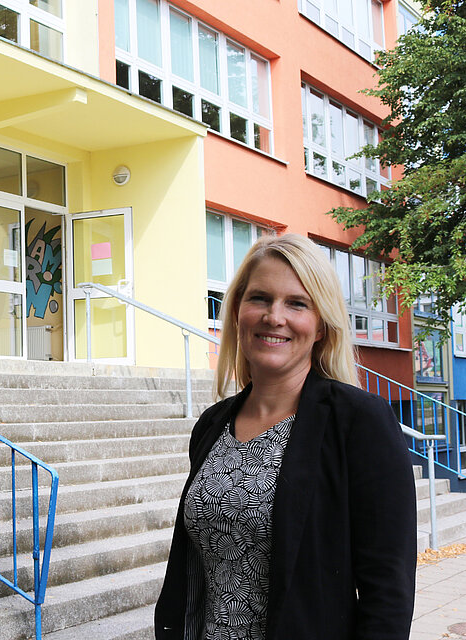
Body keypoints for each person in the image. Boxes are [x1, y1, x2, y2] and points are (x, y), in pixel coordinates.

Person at [154, 233, 416, 639]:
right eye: (260, 298)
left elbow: (389, 591)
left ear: (322, 327)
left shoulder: (358, 422)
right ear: (238, 311)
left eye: (297, 303)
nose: (274, 316)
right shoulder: (212, 425)